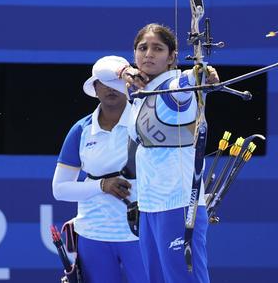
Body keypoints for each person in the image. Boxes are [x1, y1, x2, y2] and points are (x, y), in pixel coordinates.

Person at [119, 23, 217, 283]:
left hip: (179, 204)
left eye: (158, 48)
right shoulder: (141, 90)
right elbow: (101, 68)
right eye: (142, 48)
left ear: (172, 56)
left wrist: (202, 73)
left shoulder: (174, 88)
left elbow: (189, 81)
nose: (148, 54)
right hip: (150, 205)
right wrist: (124, 70)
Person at [52, 55, 146, 282]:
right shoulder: (81, 130)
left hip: (140, 233)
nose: (110, 89)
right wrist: (102, 185)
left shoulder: (145, 120)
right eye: (102, 82)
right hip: (93, 234)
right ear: (94, 87)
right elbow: (60, 189)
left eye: (114, 82)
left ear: (127, 84)